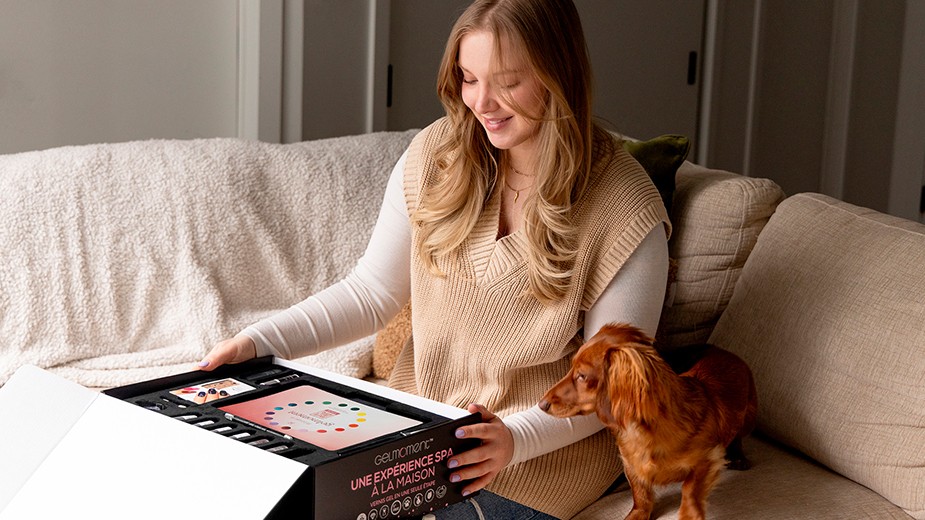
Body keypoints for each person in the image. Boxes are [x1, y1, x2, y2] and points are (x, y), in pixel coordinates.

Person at [199, 0, 670, 517]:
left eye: (508, 82)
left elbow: (612, 388)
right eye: (469, 78)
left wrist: (513, 439)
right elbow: (371, 294)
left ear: (560, 75)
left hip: (535, 458)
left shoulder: (626, 206)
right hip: (415, 432)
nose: (482, 102)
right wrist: (257, 343)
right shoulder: (437, 155)